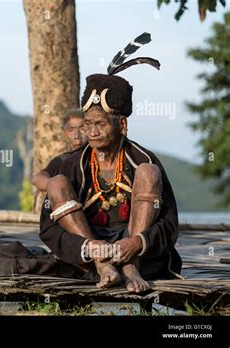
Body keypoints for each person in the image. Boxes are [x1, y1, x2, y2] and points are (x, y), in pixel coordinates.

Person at [40, 33, 181, 293]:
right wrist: (89, 248)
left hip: (138, 251)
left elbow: (170, 223)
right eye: (88, 125)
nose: (92, 133)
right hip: (90, 251)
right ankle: (103, 265)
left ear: (122, 125)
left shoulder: (144, 160)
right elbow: (47, 228)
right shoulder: (73, 164)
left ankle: (130, 267)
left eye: (101, 125)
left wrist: (137, 243)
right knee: (57, 182)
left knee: (148, 173)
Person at [32, 109, 86, 192]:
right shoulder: (62, 160)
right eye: (71, 130)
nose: (77, 136)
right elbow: (37, 178)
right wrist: (55, 186)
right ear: (65, 133)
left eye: (82, 129)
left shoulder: (96, 154)